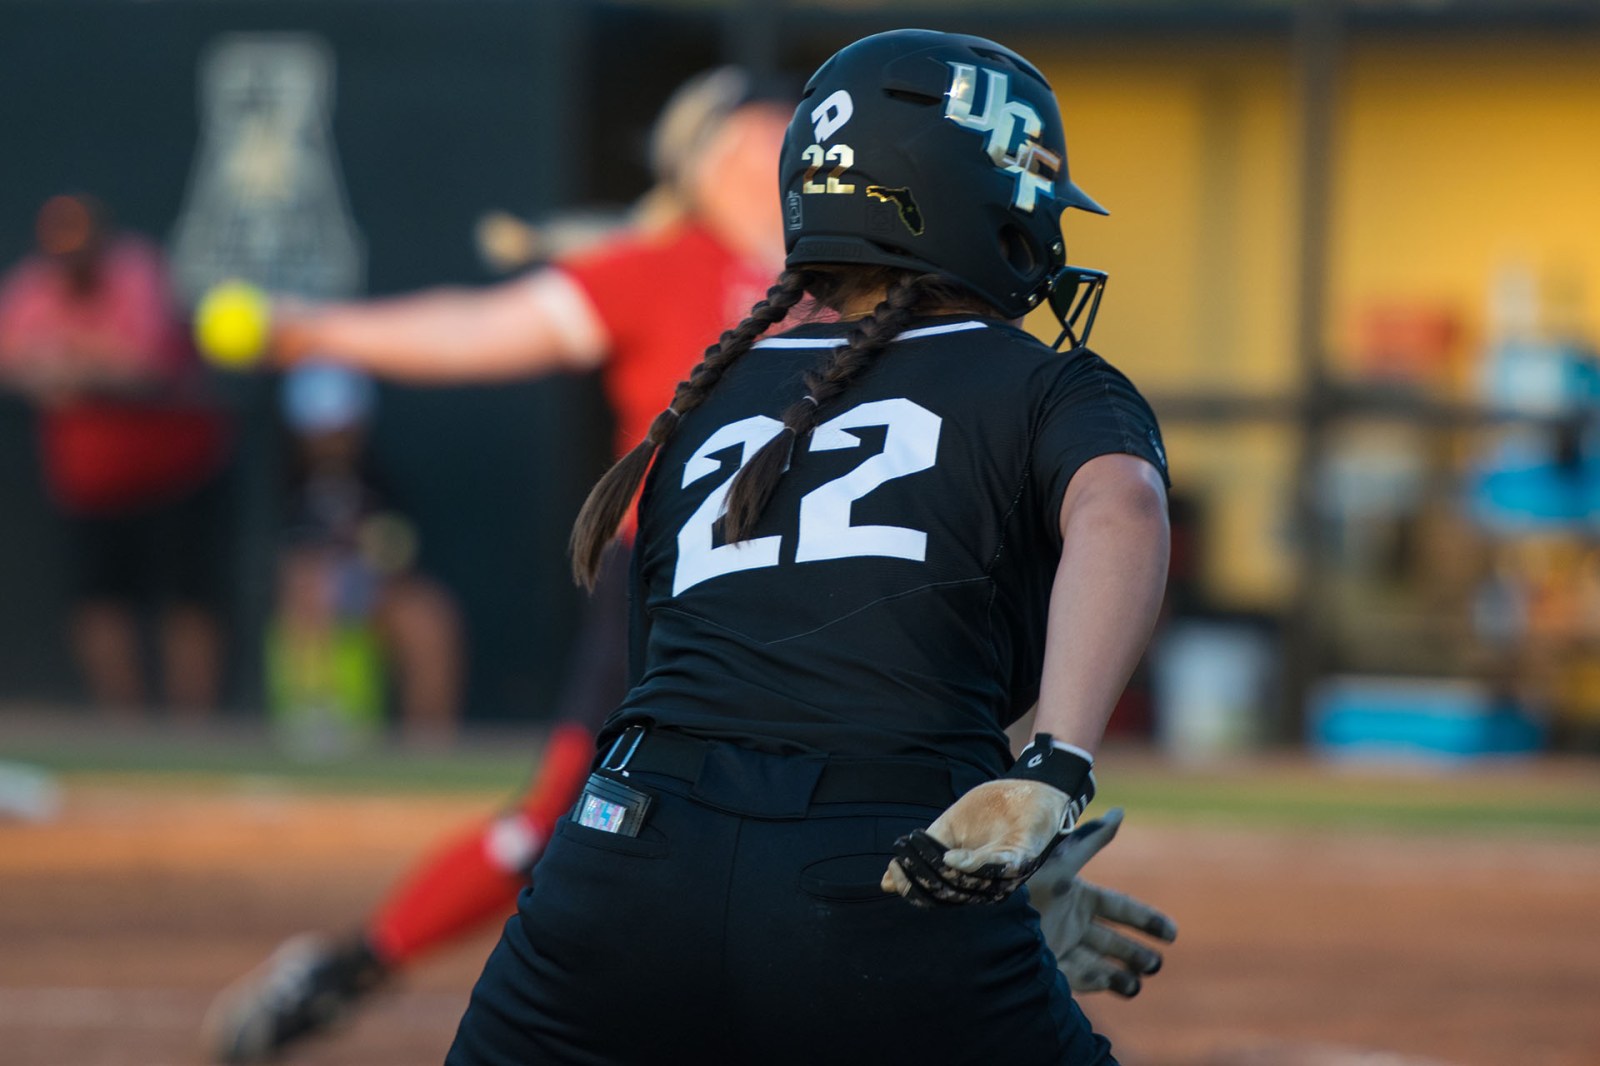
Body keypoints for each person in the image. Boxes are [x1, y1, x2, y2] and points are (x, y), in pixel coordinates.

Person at [444, 28, 1170, 1066]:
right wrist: (1053, 766)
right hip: (883, 863)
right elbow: (1122, 508)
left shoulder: (710, 395)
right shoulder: (1048, 382)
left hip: (617, 861)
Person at [0, 194, 229, 719]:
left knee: (188, 599)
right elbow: (14, 360)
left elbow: (143, 366)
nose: (71, 256)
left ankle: (193, 728)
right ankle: (125, 727)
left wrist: (71, 369)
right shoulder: (32, 286)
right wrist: (76, 369)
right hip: (90, 479)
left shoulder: (137, 273)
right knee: (100, 601)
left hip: (175, 468)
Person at [269, 364, 464, 752]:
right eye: (320, 430)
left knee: (429, 615)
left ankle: (428, 746)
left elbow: (398, 550)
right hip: (310, 593)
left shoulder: (378, 475)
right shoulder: (276, 477)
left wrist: (377, 554)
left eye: (340, 429)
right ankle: (315, 721)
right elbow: (286, 558)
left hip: (373, 588)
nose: (331, 441)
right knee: (309, 583)